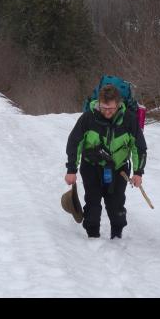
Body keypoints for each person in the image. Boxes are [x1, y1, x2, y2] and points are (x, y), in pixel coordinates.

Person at [65, 84, 147, 239]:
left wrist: (138, 172)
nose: (107, 112)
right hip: (92, 167)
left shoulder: (129, 119)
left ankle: (117, 236)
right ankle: (92, 236)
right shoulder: (88, 118)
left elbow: (139, 147)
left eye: (111, 108)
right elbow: (74, 143)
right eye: (104, 108)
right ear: (99, 103)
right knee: (93, 204)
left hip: (118, 169)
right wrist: (71, 169)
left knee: (116, 206)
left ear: (118, 104)